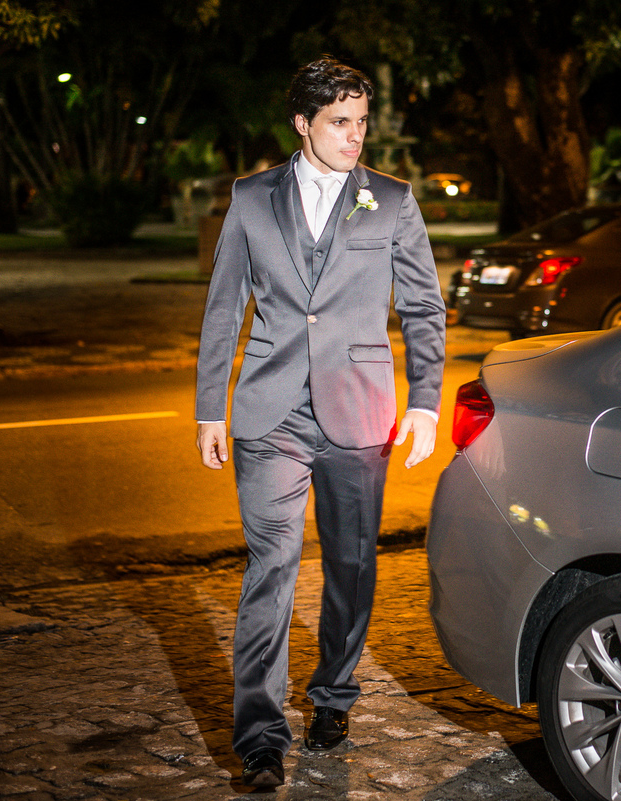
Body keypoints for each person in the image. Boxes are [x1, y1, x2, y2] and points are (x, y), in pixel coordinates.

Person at [194, 57, 446, 788]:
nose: (354, 136)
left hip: (359, 408)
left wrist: (426, 400)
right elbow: (222, 309)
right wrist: (212, 406)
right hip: (268, 412)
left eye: (362, 122)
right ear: (303, 123)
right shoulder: (249, 198)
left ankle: (334, 692)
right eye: (340, 122)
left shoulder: (393, 201)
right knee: (270, 567)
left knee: (352, 566)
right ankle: (260, 738)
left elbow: (425, 308)